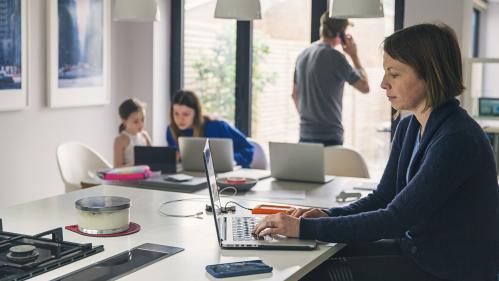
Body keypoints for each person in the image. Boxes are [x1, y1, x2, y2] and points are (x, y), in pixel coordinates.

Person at [253, 23, 498, 281]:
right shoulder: (409, 127)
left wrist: (304, 227)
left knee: (316, 274)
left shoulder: (457, 138)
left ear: (430, 74)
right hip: (418, 253)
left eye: (394, 74)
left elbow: (395, 219)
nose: (383, 84)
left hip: (448, 270)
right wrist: (327, 214)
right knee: (315, 259)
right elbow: (383, 198)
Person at [293, 11, 369, 146]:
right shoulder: (335, 57)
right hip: (329, 138)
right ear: (341, 33)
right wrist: (354, 56)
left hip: (304, 135)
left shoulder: (302, 55)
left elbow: (294, 95)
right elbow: (364, 87)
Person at [166, 90, 254, 168]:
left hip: (226, 177)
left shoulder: (218, 127)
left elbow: (249, 149)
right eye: (176, 113)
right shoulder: (171, 131)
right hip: (192, 177)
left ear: (196, 114)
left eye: (185, 114)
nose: (180, 119)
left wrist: (228, 160)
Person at [114, 98, 152, 167]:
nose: (141, 124)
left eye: (143, 119)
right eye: (136, 121)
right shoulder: (120, 140)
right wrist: (136, 165)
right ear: (124, 121)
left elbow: (153, 157)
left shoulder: (145, 136)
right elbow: (117, 167)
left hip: (145, 175)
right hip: (129, 176)